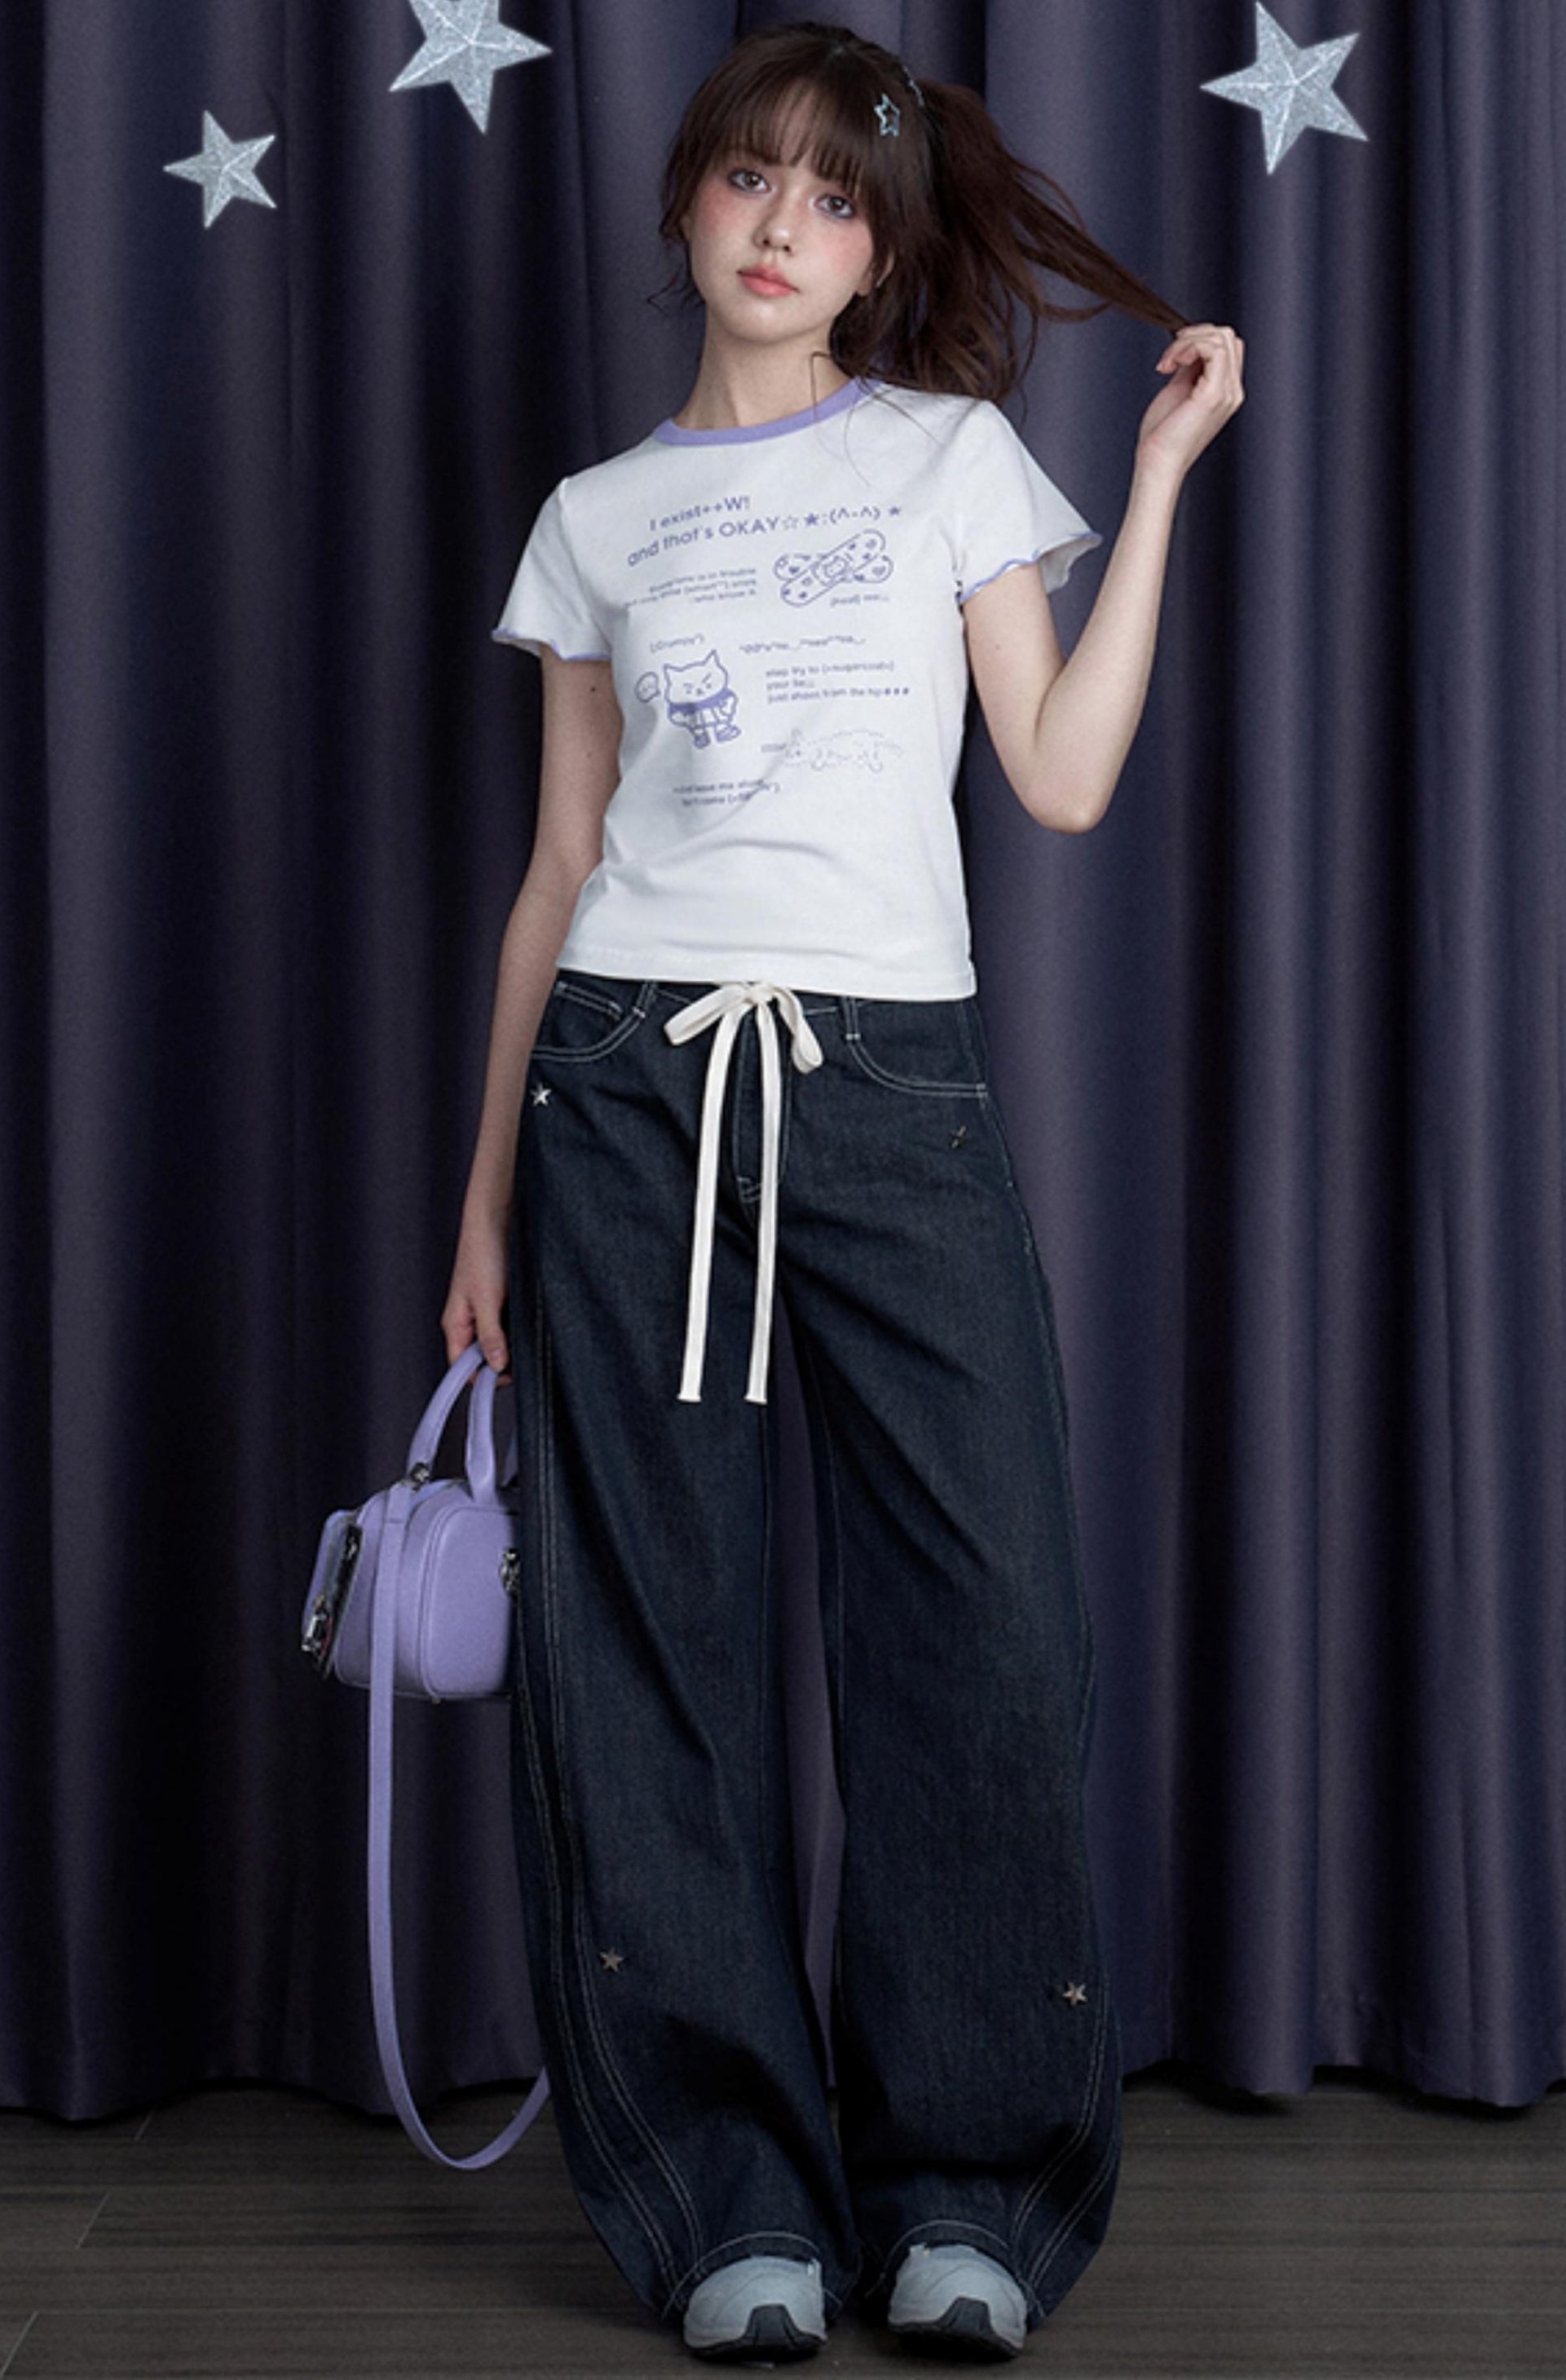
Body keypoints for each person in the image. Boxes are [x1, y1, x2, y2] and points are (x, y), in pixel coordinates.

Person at [443, 19, 1243, 2366]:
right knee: (647, 1650)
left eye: (830, 197)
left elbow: (1058, 775)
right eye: (748, 180)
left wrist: (1158, 481)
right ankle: (730, 2206)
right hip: (627, 1088)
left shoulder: (950, 458)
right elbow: (559, 869)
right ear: (685, 205)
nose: (781, 225)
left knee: (979, 1632)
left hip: (889, 1085)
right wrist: (482, 1202)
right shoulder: (596, 516)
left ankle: (967, 2192)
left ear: (879, 251)